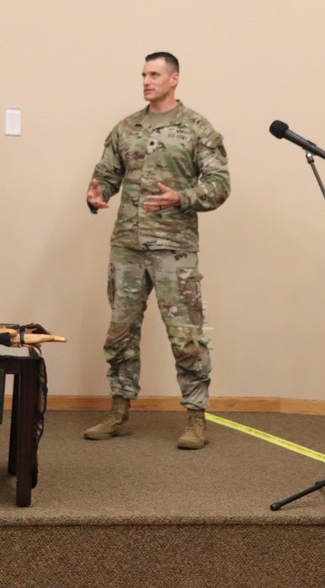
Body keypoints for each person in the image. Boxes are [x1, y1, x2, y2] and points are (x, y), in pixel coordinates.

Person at [83, 52, 230, 450]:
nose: (146, 81)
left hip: (174, 251)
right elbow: (107, 174)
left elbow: (219, 186)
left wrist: (180, 197)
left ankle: (196, 418)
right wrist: (97, 194)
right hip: (127, 248)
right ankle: (119, 410)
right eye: (143, 74)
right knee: (120, 333)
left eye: (154, 74)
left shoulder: (197, 128)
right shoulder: (126, 128)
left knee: (186, 336)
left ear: (175, 79)